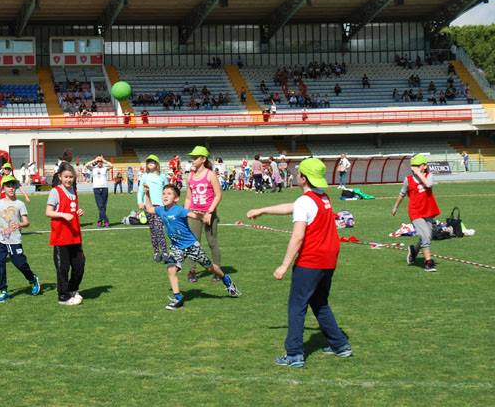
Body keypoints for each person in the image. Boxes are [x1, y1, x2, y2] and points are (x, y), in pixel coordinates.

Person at [245, 157, 351, 368]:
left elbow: (298, 236)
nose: (295, 175)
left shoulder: (306, 201)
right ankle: (340, 344)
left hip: (310, 261)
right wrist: (262, 210)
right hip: (328, 260)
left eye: (298, 172)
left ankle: (294, 353)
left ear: (303, 178)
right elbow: (291, 206)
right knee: (319, 303)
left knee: (297, 306)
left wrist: (284, 265)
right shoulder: (322, 197)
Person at [142, 183, 240, 310]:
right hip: (177, 247)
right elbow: (149, 209)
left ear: (176, 198)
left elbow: (193, 215)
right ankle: (178, 298)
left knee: (210, 268)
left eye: (169, 193)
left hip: (191, 246)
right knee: (171, 269)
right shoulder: (161, 210)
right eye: (164, 193)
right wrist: (147, 194)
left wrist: (201, 215)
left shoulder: (179, 210)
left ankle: (226, 280)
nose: (165, 196)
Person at [0, 175, 41, 303]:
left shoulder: (20, 204)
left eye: (13, 185)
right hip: (0, 240)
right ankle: (3, 291)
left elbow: (26, 222)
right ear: (3, 188)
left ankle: (32, 278)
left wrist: (20, 224)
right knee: (0, 264)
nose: (11, 188)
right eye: (8, 186)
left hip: (15, 240)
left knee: (20, 264)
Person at [45, 162, 86, 306]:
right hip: (61, 236)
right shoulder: (55, 191)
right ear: (60, 177)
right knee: (63, 268)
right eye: (66, 177)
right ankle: (63, 296)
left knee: (80, 264)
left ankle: (73, 289)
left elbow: (72, 209)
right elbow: (48, 212)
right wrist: (63, 215)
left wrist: (77, 212)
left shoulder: (73, 191)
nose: (68, 180)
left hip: (74, 235)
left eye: (71, 177)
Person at [391, 154, 440, 272]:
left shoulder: (430, 176)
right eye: (413, 165)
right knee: (424, 236)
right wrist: (395, 207)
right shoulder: (408, 179)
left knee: (428, 235)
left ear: (424, 166)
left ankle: (414, 251)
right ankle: (428, 262)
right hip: (415, 211)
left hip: (428, 210)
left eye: (417, 165)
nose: (414, 168)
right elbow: (402, 194)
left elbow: (428, 184)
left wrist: (419, 174)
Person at [184, 146, 224, 284]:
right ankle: (192, 271)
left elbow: (218, 195)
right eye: (192, 157)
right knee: (193, 244)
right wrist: (184, 213)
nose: (192, 160)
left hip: (208, 214)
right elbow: (189, 197)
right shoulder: (190, 176)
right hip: (194, 214)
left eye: (196, 157)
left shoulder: (210, 174)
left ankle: (217, 271)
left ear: (203, 159)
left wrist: (210, 212)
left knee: (212, 243)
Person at [137, 154, 169, 263]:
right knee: (153, 231)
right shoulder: (144, 176)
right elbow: (140, 191)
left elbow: (168, 191)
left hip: (161, 207)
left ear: (157, 164)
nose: (150, 162)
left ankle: (164, 252)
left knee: (159, 229)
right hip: (149, 206)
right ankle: (156, 252)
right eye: (149, 161)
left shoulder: (163, 176)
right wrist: (140, 202)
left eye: (153, 161)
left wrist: (168, 202)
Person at [85, 155, 112, 227]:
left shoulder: (105, 168)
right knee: (100, 205)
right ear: (96, 162)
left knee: (104, 206)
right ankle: (106, 221)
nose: (100, 162)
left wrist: (104, 160)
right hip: (96, 188)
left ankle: (100, 221)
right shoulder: (93, 168)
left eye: (101, 161)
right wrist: (94, 160)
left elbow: (111, 165)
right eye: (98, 161)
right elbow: (86, 165)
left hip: (104, 188)